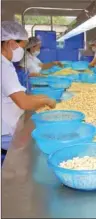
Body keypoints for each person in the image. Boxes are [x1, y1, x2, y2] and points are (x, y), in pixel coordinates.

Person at [1, 21, 56, 151]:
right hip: (5, 131)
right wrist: (46, 100)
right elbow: (23, 103)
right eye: (23, 46)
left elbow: (17, 96)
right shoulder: (3, 66)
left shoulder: (5, 64)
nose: (22, 51)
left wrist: (40, 98)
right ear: (11, 43)